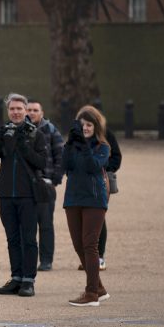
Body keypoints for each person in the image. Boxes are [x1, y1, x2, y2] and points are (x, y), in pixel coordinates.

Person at [0, 93, 47, 297]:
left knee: (28, 238)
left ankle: (29, 280)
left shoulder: (35, 134)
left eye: (20, 108)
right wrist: (1, 140)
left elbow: (42, 162)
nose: (16, 112)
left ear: (26, 110)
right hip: (5, 194)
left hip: (28, 194)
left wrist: (24, 146)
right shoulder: (3, 132)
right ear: (8, 111)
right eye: (12, 109)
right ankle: (17, 277)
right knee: (12, 238)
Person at [63, 105, 111, 307]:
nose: (85, 128)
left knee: (90, 244)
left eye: (89, 124)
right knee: (78, 245)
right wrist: (69, 143)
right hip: (73, 198)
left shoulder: (103, 147)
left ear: (95, 126)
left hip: (94, 200)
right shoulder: (73, 144)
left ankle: (91, 293)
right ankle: (99, 288)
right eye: (82, 125)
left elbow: (92, 166)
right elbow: (66, 165)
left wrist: (83, 144)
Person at [26, 99, 64, 271]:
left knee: (46, 224)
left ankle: (46, 260)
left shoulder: (50, 130)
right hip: (25, 185)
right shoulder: (20, 129)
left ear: (41, 113)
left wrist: (54, 180)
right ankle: (28, 259)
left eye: (35, 110)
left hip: (45, 184)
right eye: (29, 110)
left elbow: (61, 156)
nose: (32, 113)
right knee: (26, 225)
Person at [97, 129, 121, 271]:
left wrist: (105, 169)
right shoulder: (78, 134)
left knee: (98, 216)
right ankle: (88, 257)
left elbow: (117, 156)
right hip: (81, 181)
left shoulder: (106, 134)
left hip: (102, 179)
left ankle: (99, 256)